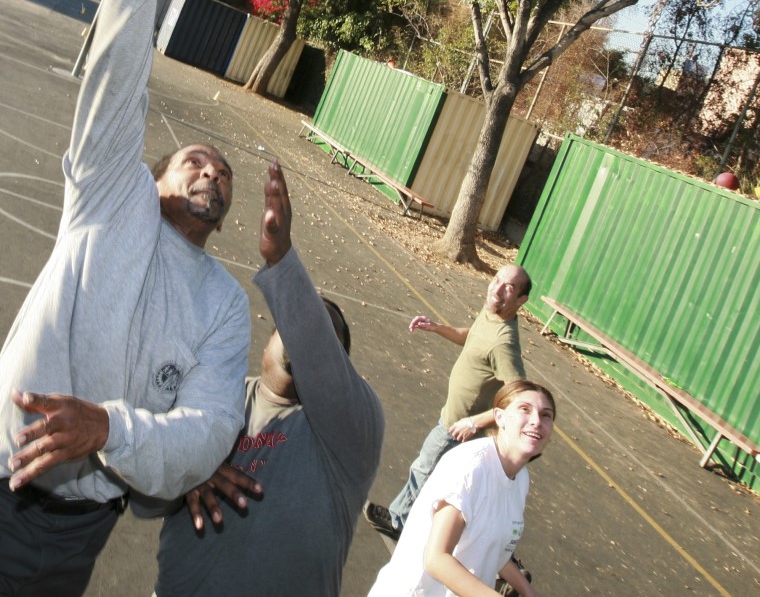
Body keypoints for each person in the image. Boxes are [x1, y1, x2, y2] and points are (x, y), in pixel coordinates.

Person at [0, 0, 251, 594]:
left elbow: (209, 433)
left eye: (224, 175)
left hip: (66, 539)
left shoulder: (222, 304)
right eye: (196, 162)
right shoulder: (113, 199)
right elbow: (117, 77)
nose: (211, 173)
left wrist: (108, 427)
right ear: (155, 177)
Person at [154, 158, 385, 597]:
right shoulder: (215, 396)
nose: (313, 332)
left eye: (327, 334)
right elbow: (147, 486)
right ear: (269, 337)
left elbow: (315, 348)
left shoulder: (352, 431)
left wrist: (281, 258)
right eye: (301, 321)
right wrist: (188, 472)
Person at [364, 263, 531, 540]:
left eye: (509, 288)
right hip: (455, 418)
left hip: (458, 427)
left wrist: (473, 422)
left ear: (521, 300)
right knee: (451, 484)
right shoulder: (492, 313)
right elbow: (472, 337)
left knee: (424, 467)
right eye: (497, 279)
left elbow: (519, 399)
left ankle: (398, 521)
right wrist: (436, 327)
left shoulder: (504, 343)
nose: (497, 288)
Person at [367, 379, 554, 597]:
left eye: (546, 415)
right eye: (525, 409)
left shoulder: (520, 478)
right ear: (500, 417)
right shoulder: (471, 466)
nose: (536, 421)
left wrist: (528, 591)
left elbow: (496, 551)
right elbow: (436, 559)